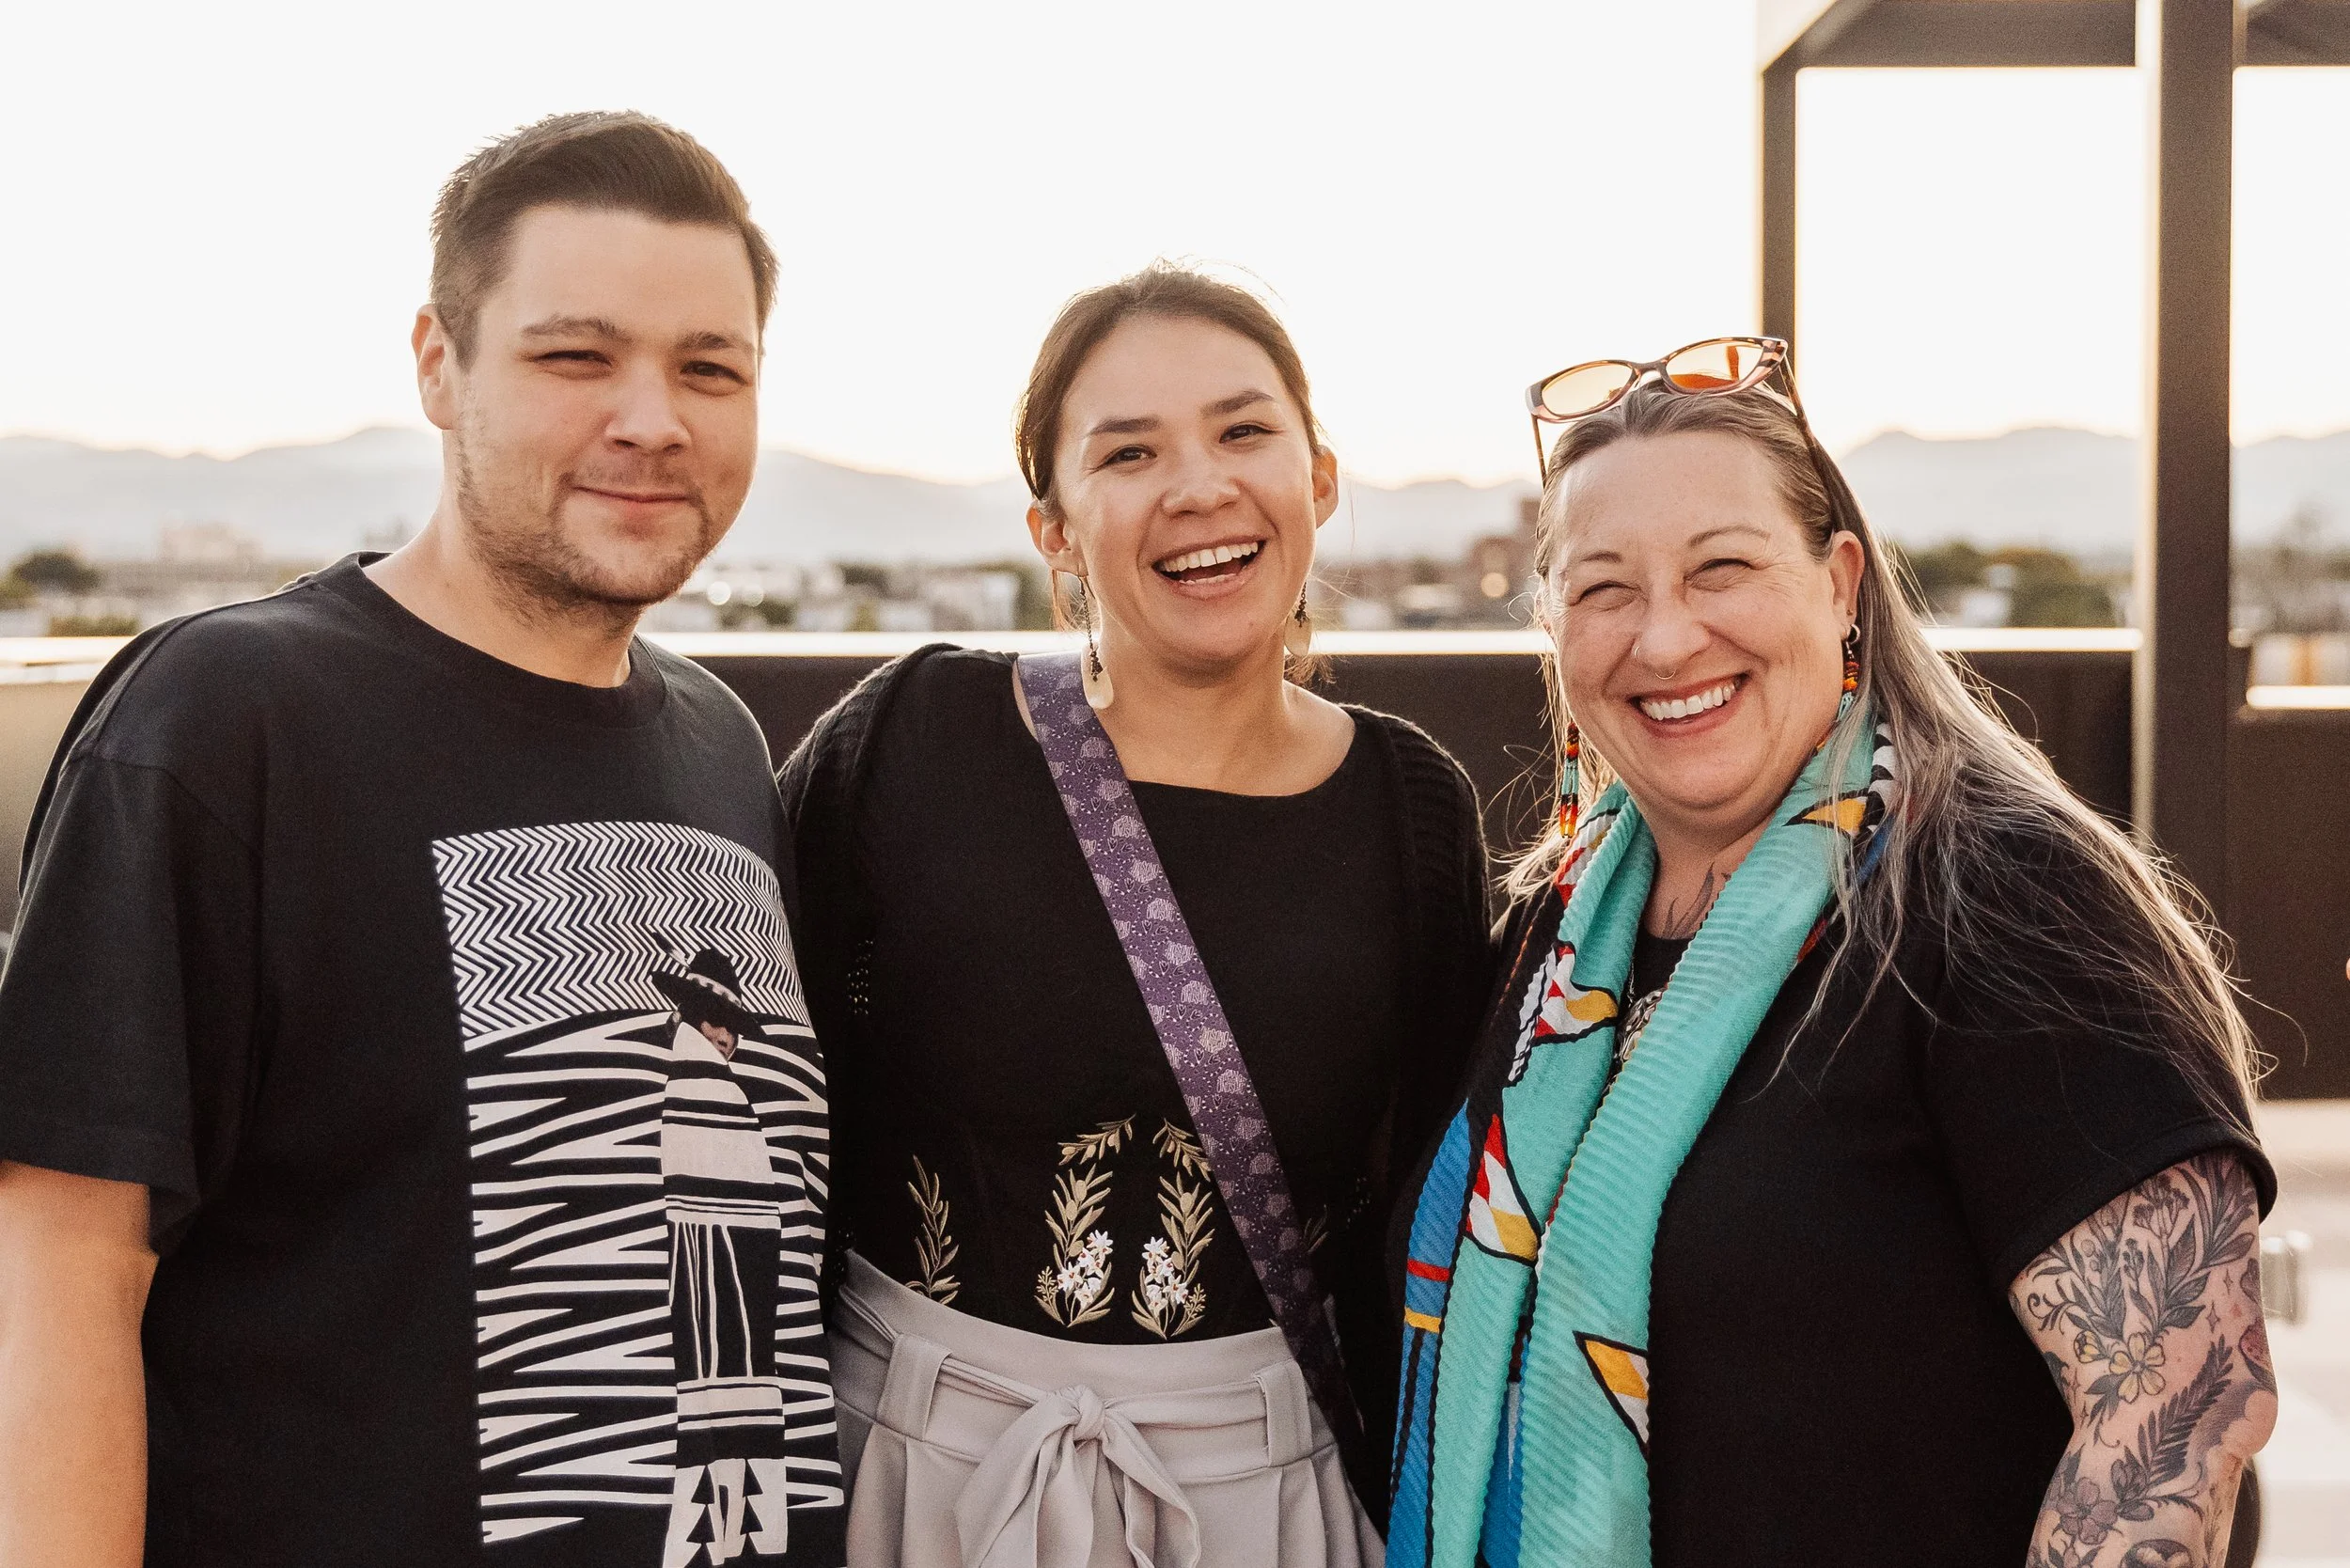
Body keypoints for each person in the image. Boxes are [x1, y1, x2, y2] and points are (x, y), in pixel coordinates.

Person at [0, 112, 846, 1567]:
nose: (654, 418)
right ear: (440, 367)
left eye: (711, 368)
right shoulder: (228, 715)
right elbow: (67, 1260)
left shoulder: (721, 747)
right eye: (576, 357)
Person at [1387, 339, 2277, 1568]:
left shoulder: (1993, 896)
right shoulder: (1556, 932)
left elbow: (2175, 1409)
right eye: (1603, 589)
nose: (1664, 639)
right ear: (1554, 625)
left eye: (1724, 570)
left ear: (1840, 583)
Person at [780, 262, 1493, 1566]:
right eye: (1128, 452)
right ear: (1054, 528)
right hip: (907, 1475)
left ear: (1318, 478)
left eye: (1242, 430)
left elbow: (1435, 1200)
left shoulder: (1412, 812)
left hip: (1261, 1500)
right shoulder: (912, 744)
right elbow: (757, 1108)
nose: (1200, 487)